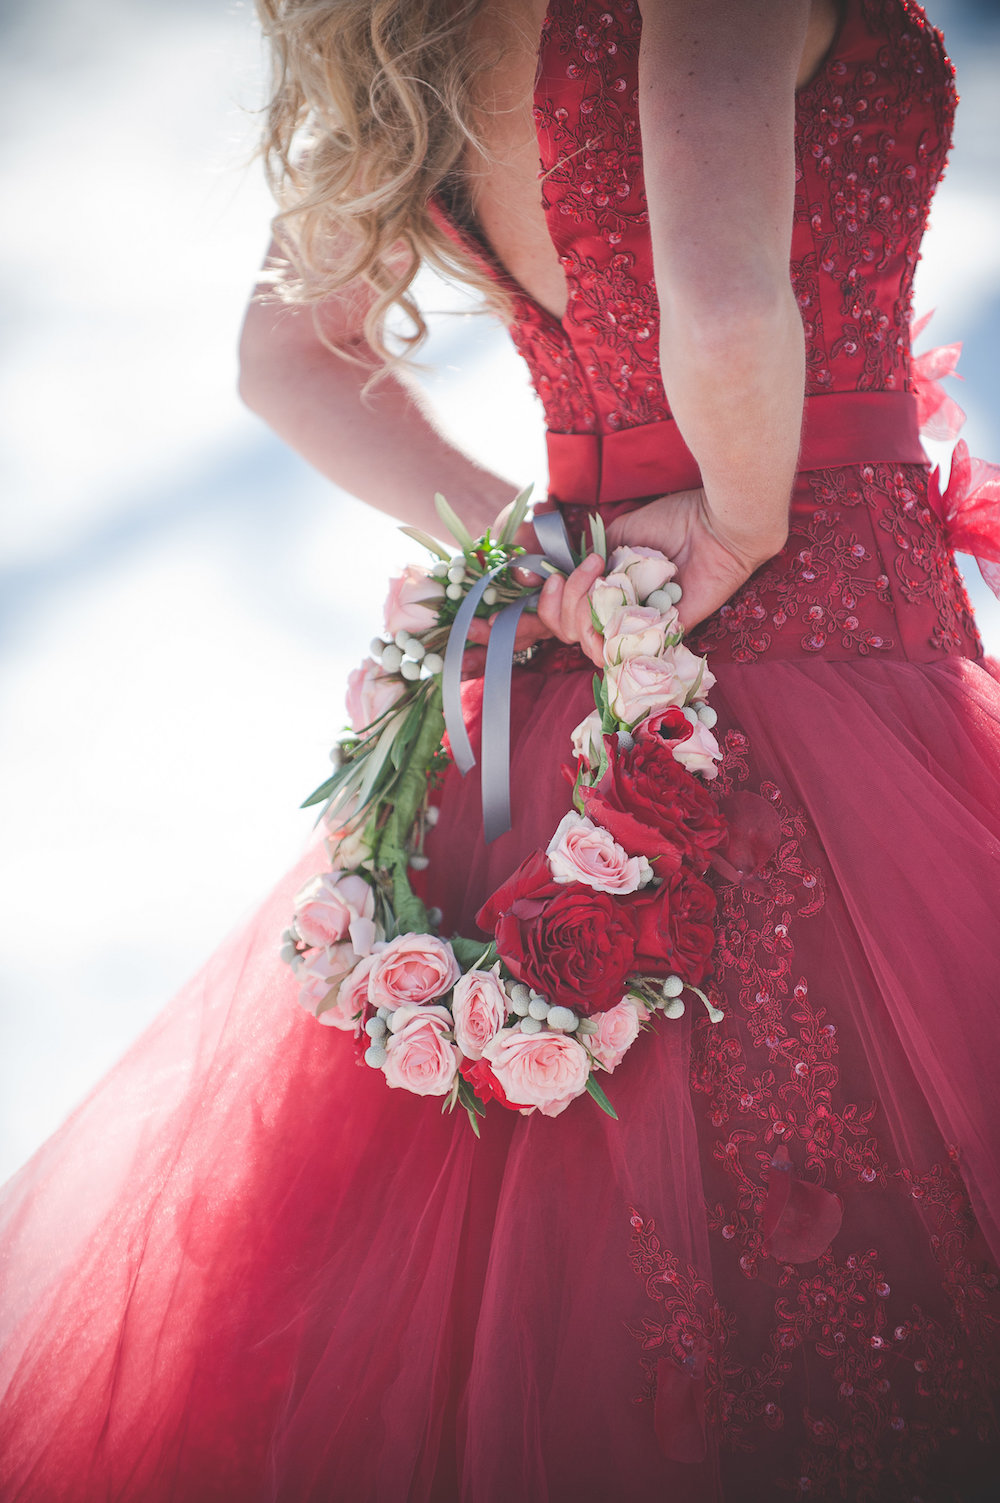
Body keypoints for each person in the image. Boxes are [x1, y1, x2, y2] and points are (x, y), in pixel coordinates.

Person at [1, 0, 999, 1499]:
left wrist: (531, 556)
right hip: (832, 671)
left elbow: (285, 359)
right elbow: (724, 307)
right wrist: (738, 516)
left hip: (574, 710)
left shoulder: (423, 23)